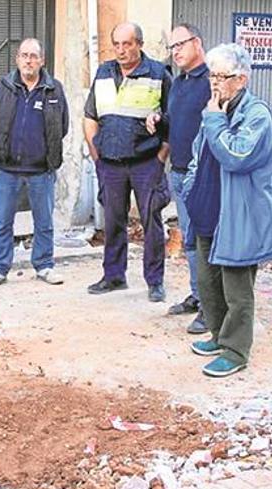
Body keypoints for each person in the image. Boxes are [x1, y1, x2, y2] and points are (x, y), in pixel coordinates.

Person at [182, 44, 272, 377]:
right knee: (208, 281)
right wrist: (189, 189)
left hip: (238, 216)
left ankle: (235, 350)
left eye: (222, 76)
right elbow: (198, 154)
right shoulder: (215, 107)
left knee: (236, 288)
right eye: (212, 75)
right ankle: (218, 335)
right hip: (208, 210)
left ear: (241, 79)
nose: (214, 82)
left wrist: (214, 120)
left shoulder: (256, 114)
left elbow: (237, 155)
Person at [83, 22, 172, 302]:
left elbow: (174, 121)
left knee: (151, 222)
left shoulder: (159, 74)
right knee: (113, 222)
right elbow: (90, 117)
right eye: (116, 45)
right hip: (110, 163)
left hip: (147, 161)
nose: (121, 51)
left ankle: (155, 281)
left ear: (139, 44)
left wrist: (160, 159)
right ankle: (114, 276)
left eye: (127, 44)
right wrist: (97, 158)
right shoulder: (104, 72)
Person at [0, 38, 69, 289]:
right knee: (2, 221)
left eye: (33, 56)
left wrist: (44, 153)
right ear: (17, 59)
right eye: (24, 55)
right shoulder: (4, 87)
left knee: (44, 222)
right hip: (8, 169)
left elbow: (61, 126)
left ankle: (44, 265)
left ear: (42, 60)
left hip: (41, 170)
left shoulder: (54, 90)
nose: (29, 60)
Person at [146, 23, 210, 333]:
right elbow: (174, 123)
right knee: (190, 242)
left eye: (181, 44)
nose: (176, 51)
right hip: (180, 172)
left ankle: (211, 307)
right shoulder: (180, 82)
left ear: (197, 43)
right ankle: (199, 297)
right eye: (172, 47)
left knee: (206, 242)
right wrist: (159, 121)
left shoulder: (211, 81)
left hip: (205, 177)